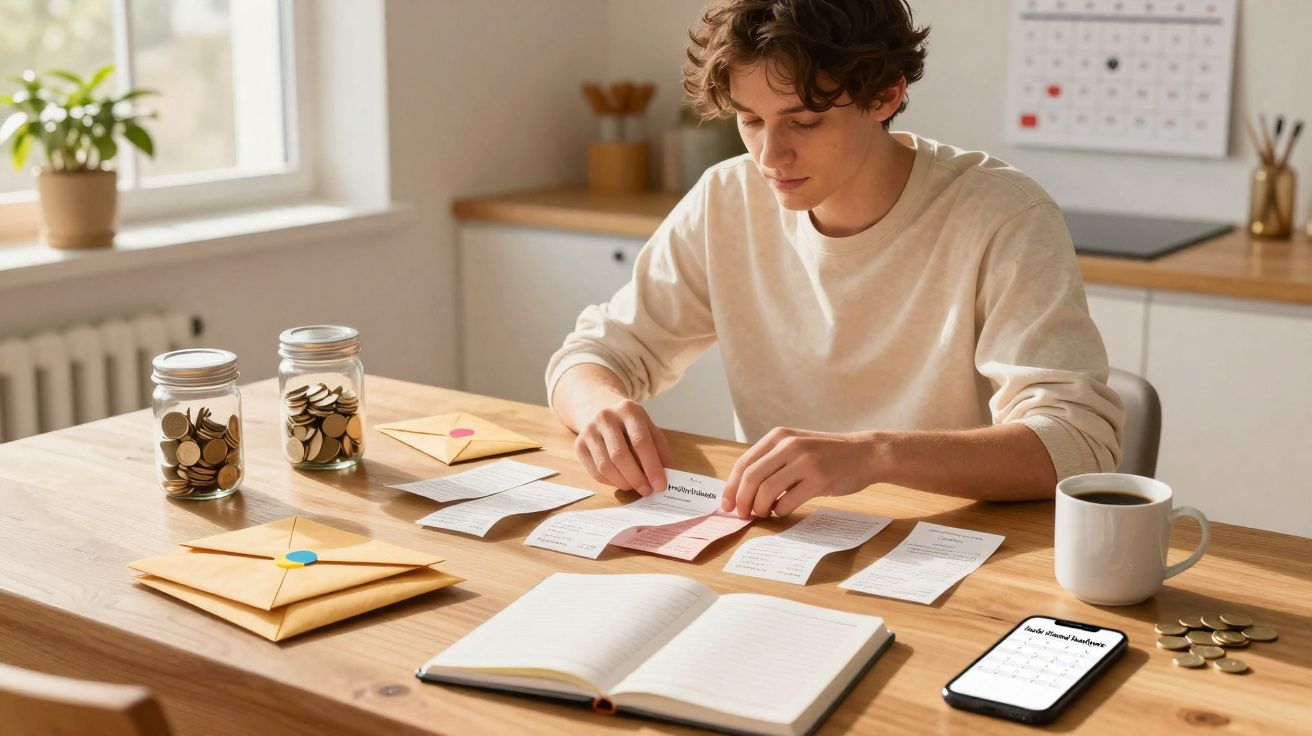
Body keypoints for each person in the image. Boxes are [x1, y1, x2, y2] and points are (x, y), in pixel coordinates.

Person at [546, 0, 1124, 520]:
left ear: (885, 96)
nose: (770, 155)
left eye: (803, 121)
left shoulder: (1003, 215)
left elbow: (1077, 442)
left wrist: (874, 455)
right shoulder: (727, 198)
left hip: (950, 546)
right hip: (782, 538)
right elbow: (592, 355)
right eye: (751, 120)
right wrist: (600, 406)